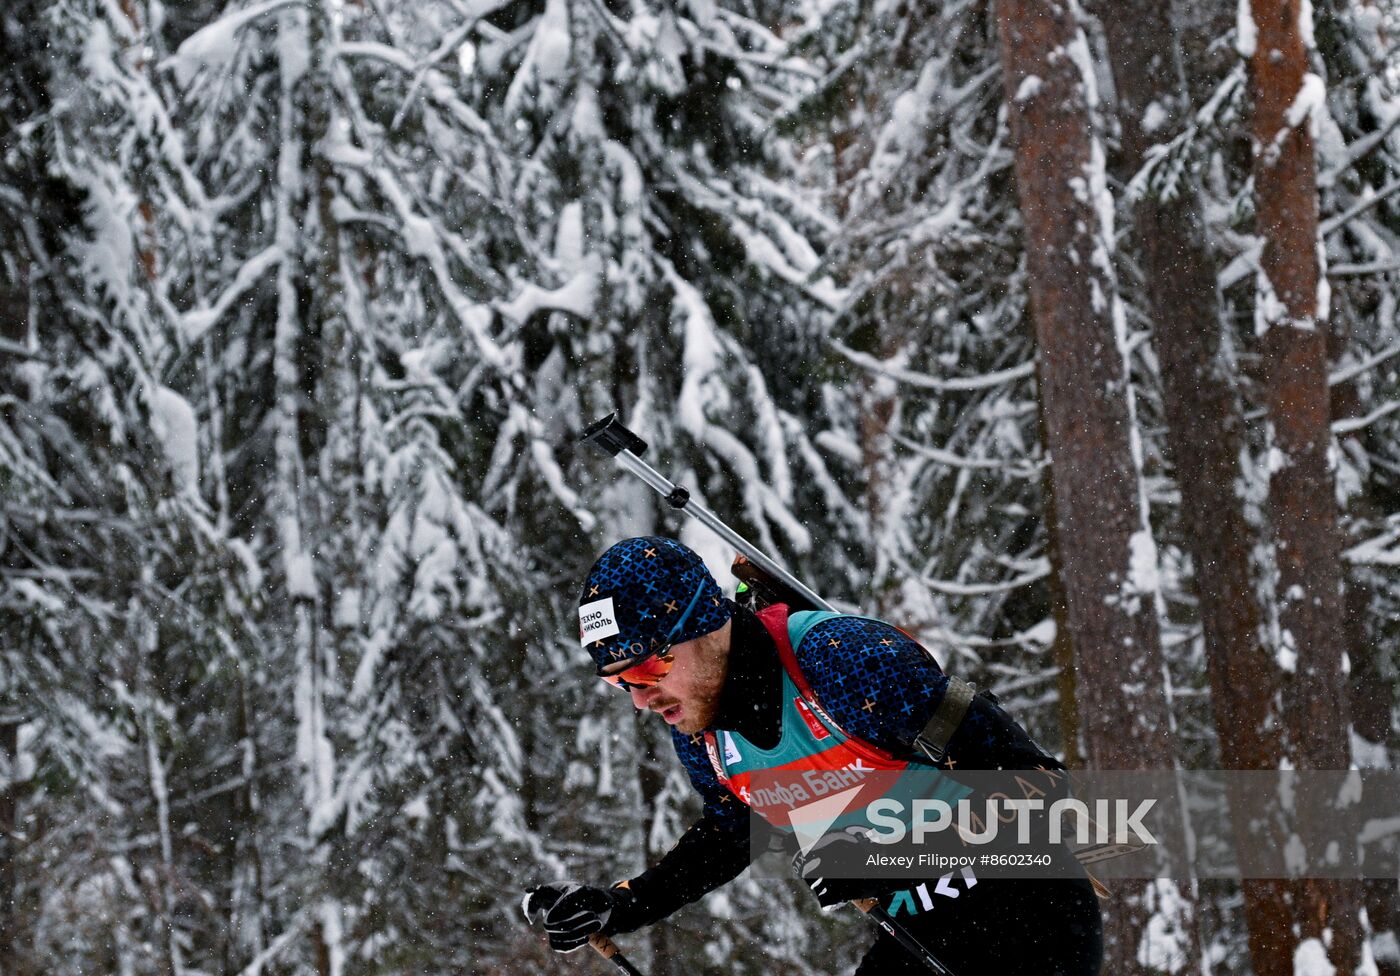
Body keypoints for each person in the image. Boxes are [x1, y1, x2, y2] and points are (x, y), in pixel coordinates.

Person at [523, 536, 1103, 974]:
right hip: (916, 935)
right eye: (619, 682)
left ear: (705, 623)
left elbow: (1045, 793)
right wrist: (620, 907)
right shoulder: (700, 731)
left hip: (1030, 915)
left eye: (649, 667)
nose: (641, 699)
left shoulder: (843, 662)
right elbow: (732, 832)